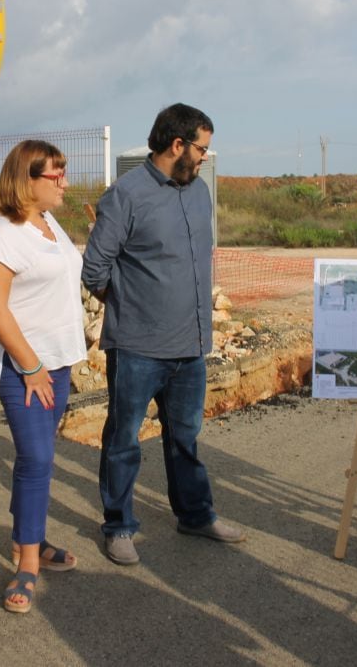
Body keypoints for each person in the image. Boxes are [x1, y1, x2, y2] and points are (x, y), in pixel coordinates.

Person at [81, 103, 244, 566]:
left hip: (190, 347)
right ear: (177, 145)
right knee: (124, 439)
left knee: (185, 438)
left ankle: (195, 514)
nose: (206, 157)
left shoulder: (198, 193)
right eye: (202, 148)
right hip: (137, 348)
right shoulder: (126, 195)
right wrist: (135, 306)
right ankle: (118, 526)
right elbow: (95, 268)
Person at [0, 140, 86, 613]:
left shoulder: (48, 223)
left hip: (57, 363)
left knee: (34, 460)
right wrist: (32, 367)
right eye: (55, 176)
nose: (64, 182)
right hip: (26, 368)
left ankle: (31, 541)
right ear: (27, 180)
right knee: (37, 460)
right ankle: (27, 564)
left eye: (64, 173)